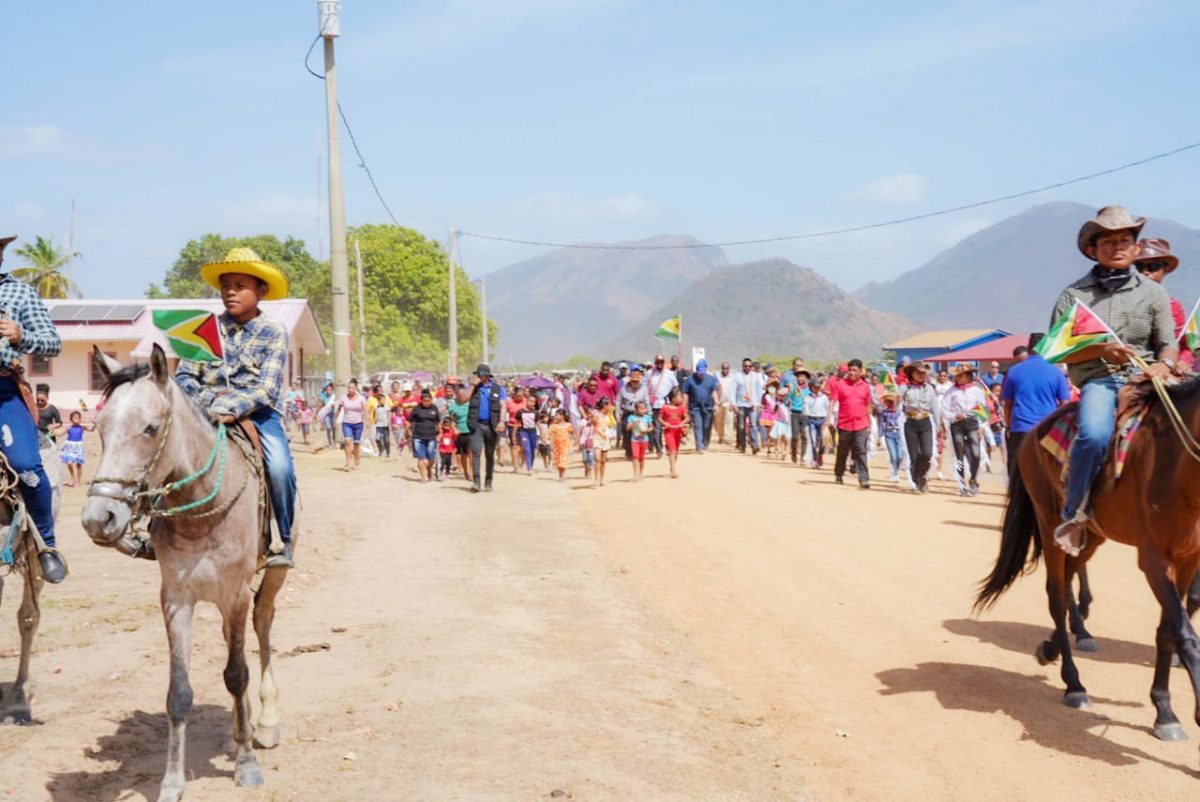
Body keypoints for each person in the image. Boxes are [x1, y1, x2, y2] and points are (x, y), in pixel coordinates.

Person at [1051, 206, 1178, 554]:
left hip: (1150, 378)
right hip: (1102, 381)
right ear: (1093, 249)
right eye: (1108, 241)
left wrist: (1165, 366)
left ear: (1136, 248)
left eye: (1124, 240)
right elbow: (1058, 352)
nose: (1117, 246)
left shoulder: (1154, 294)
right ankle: (1074, 512)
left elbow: (1169, 343)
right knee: (1093, 434)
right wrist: (1100, 351)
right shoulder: (1074, 296)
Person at [172, 247, 297, 568]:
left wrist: (232, 406)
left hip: (258, 415)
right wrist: (209, 402)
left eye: (240, 285)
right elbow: (185, 375)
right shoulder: (203, 329)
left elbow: (268, 387)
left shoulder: (275, 332)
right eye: (226, 285)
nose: (230, 292)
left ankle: (281, 539)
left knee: (280, 468)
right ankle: (150, 528)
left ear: (261, 290)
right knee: (164, 453)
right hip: (205, 412)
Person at [0, 236, 65, 581]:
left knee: (27, 466)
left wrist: (19, 335)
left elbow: (53, 343)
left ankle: (47, 546)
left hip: (4, 391)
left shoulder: (21, 294)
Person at [1001, 332, 1071, 476]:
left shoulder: (1014, 371)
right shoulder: (1057, 372)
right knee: (1047, 472)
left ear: (1028, 348)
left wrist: (1008, 426)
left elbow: (1007, 404)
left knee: (1016, 472)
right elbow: (1065, 404)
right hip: (1048, 429)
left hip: (1021, 428)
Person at [1134, 237, 1193, 370]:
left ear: (1165, 270)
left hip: (1164, 370)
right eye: (1139, 267)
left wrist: (1183, 361)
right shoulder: (1119, 300)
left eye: (1153, 267)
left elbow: (1183, 346)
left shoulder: (1173, 306)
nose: (1145, 272)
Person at [942, 365, 987, 496]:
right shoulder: (951, 391)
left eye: (961, 375)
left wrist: (982, 426)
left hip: (973, 423)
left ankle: (973, 479)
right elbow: (944, 409)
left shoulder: (976, 390)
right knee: (959, 455)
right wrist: (954, 416)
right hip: (957, 424)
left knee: (976, 453)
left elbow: (983, 408)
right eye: (957, 376)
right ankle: (962, 485)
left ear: (968, 376)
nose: (958, 378)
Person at [829, 359, 872, 488]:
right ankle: (839, 473)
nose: (852, 373)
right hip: (844, 424)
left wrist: (869, 423)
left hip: (861, 424)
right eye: (850, 370)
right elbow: (832, 401)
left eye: (855, 370)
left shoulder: (866, 387)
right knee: (842, 451)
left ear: (860, 371)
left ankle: (864, 478)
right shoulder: (840, 385)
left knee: (861, 451)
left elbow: (868, 405)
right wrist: (828, 418)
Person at [898, 363, 940, 492]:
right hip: (910, 422)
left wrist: (938, 426)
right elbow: (896, 403)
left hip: (925, 422)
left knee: (927, 454)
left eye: (923, 373)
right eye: (918, 373)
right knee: (914, 456)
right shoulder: (905, 387)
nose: (921, 376)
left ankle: (922, 476)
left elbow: (935, 407)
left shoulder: (930, 388)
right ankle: (916, 482)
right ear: (912, 374)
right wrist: (897, 398)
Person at [468, 364, 506, 492]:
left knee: (489, 454)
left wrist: (501, 421)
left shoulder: (498, 389)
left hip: (492, 426)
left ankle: (488, 481)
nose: (477, 376)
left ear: (486, 375)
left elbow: (503, 406)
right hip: (476, 424)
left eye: (480, 374)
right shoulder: (473, 388)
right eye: (477, 374)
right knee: (476, 452)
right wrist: (472, 385)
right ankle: (476, 482)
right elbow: (464, 398)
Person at [645, 354, 679, 458]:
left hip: (666, 404)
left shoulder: (669, 374)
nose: (660, 364)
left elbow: (676, 387)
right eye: (658, 362)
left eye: (661, 362)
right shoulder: (649, 374)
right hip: (654, 405)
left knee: (669, 427)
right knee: (657, 428)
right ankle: (659, 449)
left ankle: (669, 447)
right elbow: (644, 387)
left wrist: (676, 402)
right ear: (655, 362)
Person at [682, 359, 718, 453]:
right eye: (699, 372)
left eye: (702, 372)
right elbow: (685, 394)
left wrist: (716, 404)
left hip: (708, 407)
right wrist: (683, 407)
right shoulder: (689, 380)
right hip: (695, 408)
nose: (700, 374)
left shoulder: (711, 379)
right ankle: (699, 446)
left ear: (706, 370)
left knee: (706, 426)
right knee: (698, 426)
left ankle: (705, 443)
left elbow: (714, 391)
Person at [407, 389, 440, 482]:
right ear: (421, 400)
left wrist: (440, 434)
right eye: (425, 401)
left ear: (431, 400)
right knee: (421, 457)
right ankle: (423, 477)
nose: (427, 402)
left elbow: (438, 422)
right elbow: (409, 421)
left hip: (432, 437)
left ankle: (429, 469)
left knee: (431, 458)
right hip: (418, 437)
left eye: (429, 401)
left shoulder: (434, 408)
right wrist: (408, 432)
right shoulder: (416, 409)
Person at [732, 357, 763, 454]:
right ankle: (742, 444)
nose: (748, 368)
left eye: (750, 366)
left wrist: (757, 403)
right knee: (741, 426)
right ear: (742, 366)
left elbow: (759, 391)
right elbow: (733, 390)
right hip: (741, 404)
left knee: (753, 425)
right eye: (746, 366)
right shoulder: (737, 376)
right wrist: (733, 403)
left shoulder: (756, 376)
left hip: (753, 404)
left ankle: (755, 445)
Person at [658, 387, 690, 479]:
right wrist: (665, 423)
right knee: (672, 450)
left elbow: (687, 418)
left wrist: (682, 423)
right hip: (669, 432)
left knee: (675, 451)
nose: (681, 399)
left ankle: (672, 467)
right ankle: (673, 469)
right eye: (679, 397)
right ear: (673, 398)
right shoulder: (665, 408)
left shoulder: (681, 408)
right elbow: (659, 418)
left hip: (678, 432)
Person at [55, 409, 93, 488]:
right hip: (69, 446)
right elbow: (60, 434)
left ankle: (78, 481)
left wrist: (95, 423)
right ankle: (73, 478)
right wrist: (51, 430)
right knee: (69, 463)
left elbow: (92, 429)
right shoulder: (68, 428)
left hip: (78, 446)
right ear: (71, 419)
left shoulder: (82, 427)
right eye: (75, 417)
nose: (77, 419)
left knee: (79, 465)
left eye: (79, 417)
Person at [618, 365, 649, 460]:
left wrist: (648, 414)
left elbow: (647, 401)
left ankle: (638, 452)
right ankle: (629, 453)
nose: (635, 383)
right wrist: (618, 414)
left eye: (637, 381)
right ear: (630, 380)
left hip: (640, 414)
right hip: (627, 413)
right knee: (627, 433)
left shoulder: (643, 389)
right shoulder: (624, 389)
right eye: (633, 381)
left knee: (638, 433)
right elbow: (618, 402)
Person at [783, 368, 811, 465]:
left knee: (804, 435)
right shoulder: (793, 387)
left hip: (805, 414)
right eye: (798, 376)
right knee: (795, 436)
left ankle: (803, 457)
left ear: (806, 378)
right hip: (794, 413)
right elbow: (787, 400)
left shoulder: (809, 389)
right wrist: (787, 396)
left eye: (802, 376)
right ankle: (793, 453)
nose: (800, 378)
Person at [337, 378, 366, 471]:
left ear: (356, 388)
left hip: (358, 423)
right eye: (349, 388)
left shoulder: (361, 398)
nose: (350, 389)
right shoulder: (343, 398)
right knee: (347, 442)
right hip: (347, 423)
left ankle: (356, 458)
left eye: (352, 388)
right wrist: (335, 419)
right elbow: (339, 408)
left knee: (356, 443)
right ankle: (348, 462)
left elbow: (365, 410)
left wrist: (367, 420)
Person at [447, 384, 474, 481]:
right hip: (460, 432)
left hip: (470, 430)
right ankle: (465, 471)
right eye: (459, 395)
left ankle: (471, 472)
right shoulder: (453, 406)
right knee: (463, 454)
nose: (461, 397)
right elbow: (451, 420)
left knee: (471, 453)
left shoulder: (470, 403)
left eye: (463, 395)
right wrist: (454, 429)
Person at [877, 391, 905, 483]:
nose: (890, 403)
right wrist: (879, 436)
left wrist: (900, 401)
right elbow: (881, 423)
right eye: (888, 401)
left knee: (900, 456)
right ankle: (895, 473)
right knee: (893, 455)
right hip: (889, 434)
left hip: (899, 434)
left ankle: (895, 470)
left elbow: (902, 406)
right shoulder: (884, 412)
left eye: (891, 401)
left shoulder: (899, 411)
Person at [625, 400, 653, 481]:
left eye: (644, 408)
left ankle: (641, 473)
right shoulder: (632, 417)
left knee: (642, 458)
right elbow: (627, 428)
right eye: (641, 409)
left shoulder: (647, 417)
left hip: (644, 439)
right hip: (635, 440)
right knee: (635, 457)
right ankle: (636, 474)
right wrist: (634, 424)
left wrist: (647, 430)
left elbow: (651, 427)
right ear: (636, 409)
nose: (643, 410)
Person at [806, 378, 829, 469]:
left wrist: (827, 420)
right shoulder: (808, 397)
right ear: (811, 387)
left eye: (818, 387)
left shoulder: (824, 397)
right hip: (812, 420)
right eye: (815, 387)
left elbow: (828, 408)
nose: (816, 389)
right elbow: (806, 408)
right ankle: (815, 460)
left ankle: (820, 454)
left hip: (822, 420)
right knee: (813, 442)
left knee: (823, 441)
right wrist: (807, 415)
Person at [590, 398, 613, 487]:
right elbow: (595, 426)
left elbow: (610, 424)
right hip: (598, 438)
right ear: (605, 405)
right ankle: (596, 480)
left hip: (605, 438)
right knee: (597, 459)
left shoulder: (608, 416)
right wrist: (602, 433)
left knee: (603, 460)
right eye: (608, 405)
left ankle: (601, 479)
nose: (610, 407)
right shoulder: (597, 415)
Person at [714, 361, 736, 445]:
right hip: (719, 402)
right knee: (719, 421)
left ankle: (728, 438)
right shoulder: (716, 376)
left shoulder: (733, 377)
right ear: (721, 368)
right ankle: (721, 436)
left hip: (729, 402)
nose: (725, 370)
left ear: (729, 369)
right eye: (723, 368)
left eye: (726, 368)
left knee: (729, 420)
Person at [549, 408, 573, 480]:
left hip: (565, 445)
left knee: (563, 459)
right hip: (556, 446)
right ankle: (560, 473)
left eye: (557, 415)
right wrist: (550, 443)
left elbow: (571, 434)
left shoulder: (568, 425)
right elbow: (550, 435)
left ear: (562, 416)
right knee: (558, 460)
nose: (555, 417)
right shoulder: (554, 426)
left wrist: (571, 445)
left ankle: (562, 475)